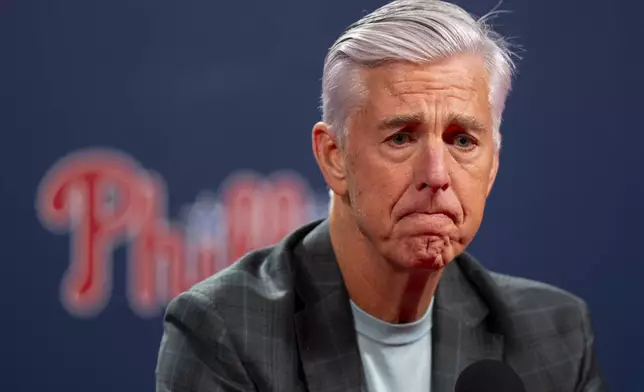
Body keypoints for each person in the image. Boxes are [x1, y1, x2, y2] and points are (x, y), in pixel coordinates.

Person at [155, 1, 606, 391]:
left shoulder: (555, 334)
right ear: (334, 157)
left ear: (493, 166)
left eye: (463, 141)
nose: (436, 175)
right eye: (402, 138)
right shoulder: (226, 331)